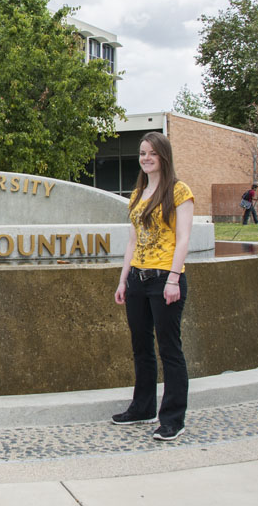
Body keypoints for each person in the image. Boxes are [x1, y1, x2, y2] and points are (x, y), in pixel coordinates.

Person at [112, 131, 194, 441]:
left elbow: (184, 238)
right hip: (137, 279)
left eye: (152, 153)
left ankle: (173, 418)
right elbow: (133, 240)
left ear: (164, 157)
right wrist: (123, 279)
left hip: (165, 279)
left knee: (169, 350)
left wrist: (173, 278)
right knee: (141, 348)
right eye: (143, 153)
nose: (146, 158)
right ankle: (143, 407)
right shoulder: (137, 194)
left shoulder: (178, 191)